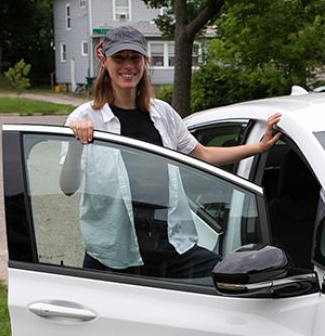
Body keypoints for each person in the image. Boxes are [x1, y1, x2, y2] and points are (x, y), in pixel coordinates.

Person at [59, 24, 280, 277]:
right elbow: (67, 187)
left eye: (135, 58)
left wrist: (259, 147)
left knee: (223, 276)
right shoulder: (85, 118)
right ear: (105, 62)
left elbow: (204, 155)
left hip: (168, 241)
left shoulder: (162, 113)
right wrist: (76, 142)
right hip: (113, 250)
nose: (127, 66)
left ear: (144, 62)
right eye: (119, 58)